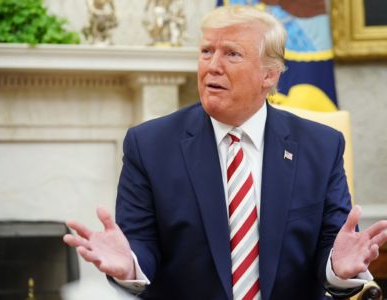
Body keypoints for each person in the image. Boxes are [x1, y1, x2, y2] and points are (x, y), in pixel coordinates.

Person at [64, 5, 387, 300]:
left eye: (231, 54)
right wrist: (129, 266)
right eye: (206, 51)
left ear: (269, 75)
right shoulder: (149, 145)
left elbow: (333, 246)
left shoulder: (321, 146)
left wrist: (338, 267)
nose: (212, 66)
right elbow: (141, 245)